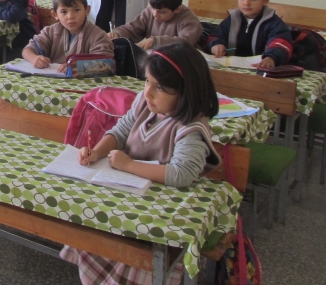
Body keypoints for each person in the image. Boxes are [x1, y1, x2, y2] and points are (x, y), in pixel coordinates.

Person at [60, 42, 220, 284]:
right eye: (147, 82)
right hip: (131, 201)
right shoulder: (145, 104)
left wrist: (129, 165)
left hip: (161, 220)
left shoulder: (191, 128)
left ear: (187, 91)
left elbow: (181, 174)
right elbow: (121, 131)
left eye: (160, 88)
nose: (148, 92)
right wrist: (98, 152)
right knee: (86, 226)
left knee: (132, 258)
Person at [207, 0, 292, 69]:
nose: (246, 3)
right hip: (232, 68)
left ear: (265, 0)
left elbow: (281, 43)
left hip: (261, 70)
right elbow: (216, 36)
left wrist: (270, 58)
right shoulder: (232, 19)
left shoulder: (274, 23)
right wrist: (217, 45)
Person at [22, 0, 112, 70]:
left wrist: (77, 67)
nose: (70, 16)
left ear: (87, 10)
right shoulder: (50, 32)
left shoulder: (98, 36)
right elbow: (27, 50)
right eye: (64, 12)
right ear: (55, 14)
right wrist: (34, 59)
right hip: (53, 81)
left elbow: (106, 63)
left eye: (76, 10)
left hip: (85, 83)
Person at [109, 0, 201, 50]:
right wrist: (118, 33)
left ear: (177, 9)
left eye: (161, 12)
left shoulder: (189, 19)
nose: (155, 15)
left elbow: (184, 43)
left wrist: (155, 41)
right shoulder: (150, 12)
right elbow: (132, 29)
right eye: (153, 8)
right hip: (154, 61)